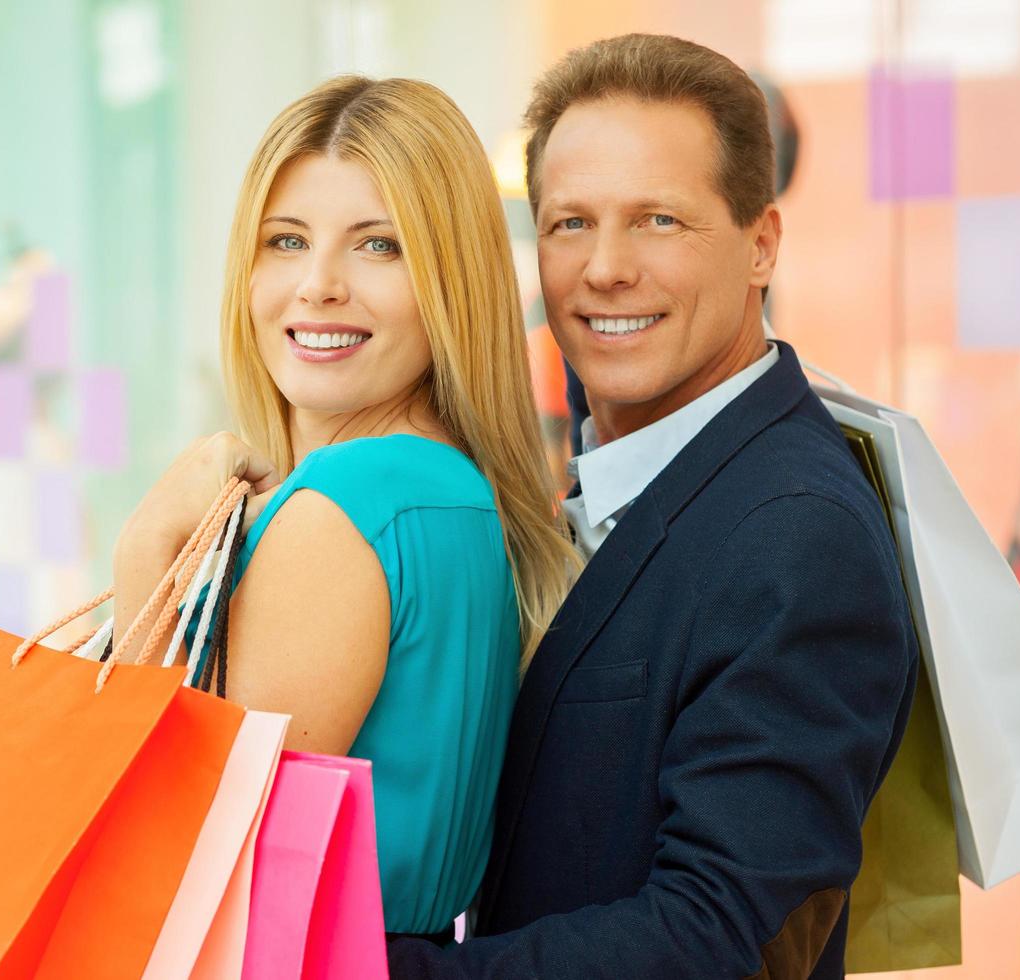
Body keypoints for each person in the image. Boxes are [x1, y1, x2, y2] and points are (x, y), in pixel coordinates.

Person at [388, 34, 917, 978]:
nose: (604, 269)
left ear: (760, 245)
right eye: (568, 223)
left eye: (658, 222)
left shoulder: (796, 535)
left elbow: (719, 940)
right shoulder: (613, 468)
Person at [108, 75, 581, 938]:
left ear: (450, 279)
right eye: (285, 241)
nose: (317, 286)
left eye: (378, 247)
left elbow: (185, 863)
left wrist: (148, 545)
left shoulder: (345, 508)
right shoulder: (452, 494)